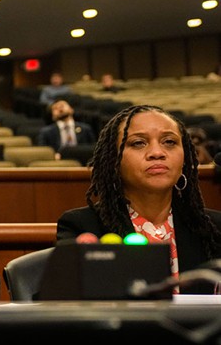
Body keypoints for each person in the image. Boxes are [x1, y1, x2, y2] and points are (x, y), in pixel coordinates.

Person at [57, 105, 221, 294]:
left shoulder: (213, 229)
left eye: (169, 142)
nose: (157, 153)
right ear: (114, 161)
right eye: (138, 143)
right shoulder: (83, 226)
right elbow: (66, 302)